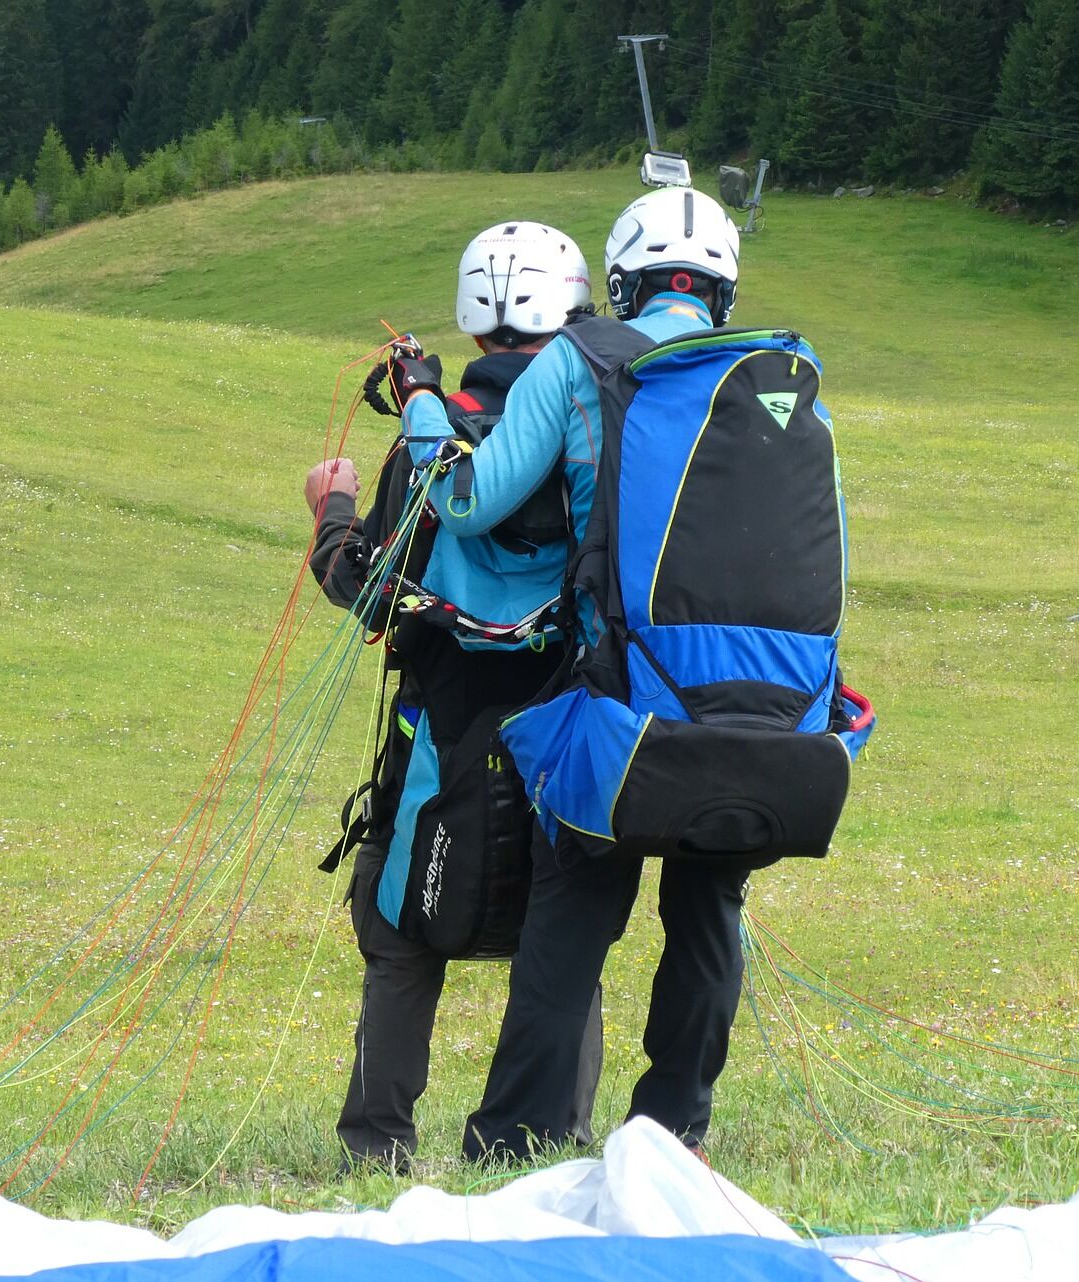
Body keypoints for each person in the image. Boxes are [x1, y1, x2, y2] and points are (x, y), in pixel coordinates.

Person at [393, 187, 810, 1161]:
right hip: (759, 711)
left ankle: (516, 1138)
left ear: (617, 282)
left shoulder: (580, 364)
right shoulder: (777, 377)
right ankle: (674, 1133)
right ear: (723, 287)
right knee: (709, 905)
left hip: (617, 702)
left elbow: (467, 497)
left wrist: (420, 401)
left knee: (574, 902)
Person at [305, 221, 601, 1170]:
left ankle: (376, 1146)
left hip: (442, 730)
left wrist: (335, 513)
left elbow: (369, 593)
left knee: (399, 930)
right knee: (565, 931)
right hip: (568, 736)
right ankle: (552, 1138)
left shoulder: (430, 443)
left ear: (475, 325)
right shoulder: (596, 442)